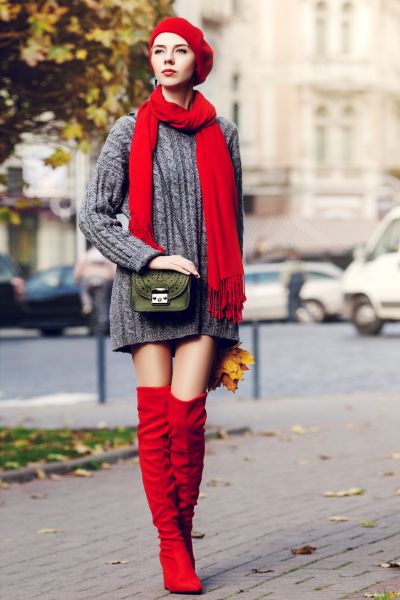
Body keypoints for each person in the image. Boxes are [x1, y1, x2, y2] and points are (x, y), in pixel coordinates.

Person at [78, 16, 246, 594]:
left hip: (205, 300)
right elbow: (94, 214)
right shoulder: (129, 130)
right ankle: (171, 548)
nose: (168, 58)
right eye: (159, 50)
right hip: (146, 298)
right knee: (155, 424)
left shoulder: (221, 132)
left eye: (180, 50)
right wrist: (149, 257)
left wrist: (231, 303)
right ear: (150, 62)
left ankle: (186, 536)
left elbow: (234, 226)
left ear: (198, 61)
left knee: (186, 421)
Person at [73, 244, 116, 326]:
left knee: (84, 291)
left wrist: (76, 278)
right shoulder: (106, 255)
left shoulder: (87, 254)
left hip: (89, 278)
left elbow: (79, 267)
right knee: (104, 299)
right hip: (104, 279)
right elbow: (113, 269)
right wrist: (112, 279)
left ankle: (87, 304)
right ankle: (104, 318)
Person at [281, 248, 307, 322]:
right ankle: (297, 315)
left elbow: (285, 276)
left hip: (293, 284)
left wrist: (285, 284)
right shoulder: (299, 264)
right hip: (296, 284)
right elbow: (304, 276)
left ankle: (292, 318)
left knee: (292, 302)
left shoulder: (289, 264)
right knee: (296, 300)